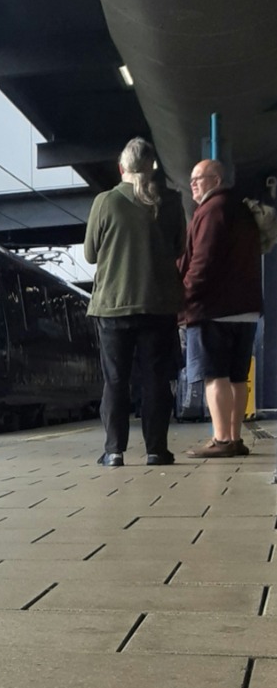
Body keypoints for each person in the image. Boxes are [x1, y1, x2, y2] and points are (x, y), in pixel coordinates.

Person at [84, 137, 185, 467]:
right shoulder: (170, 201)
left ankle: (114, 451)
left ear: (121, 167)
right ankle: (157, 450)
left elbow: (89, 254)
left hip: (113, 306)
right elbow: (180, 248)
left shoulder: (106, 201)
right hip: (158, 305)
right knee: (156, 379)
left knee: (116, 380)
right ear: (152, 168)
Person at [180, 159, 262, 458]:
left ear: (216, 180)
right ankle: (236, 438)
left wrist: (184, 298)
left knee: (215, 376)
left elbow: (202, 262)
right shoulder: (240, 209)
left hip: (214, 307)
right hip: (246, 308)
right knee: (238, 376)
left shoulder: (212, 211)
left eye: (198, 178)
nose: (192, 184)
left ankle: (222, 439)